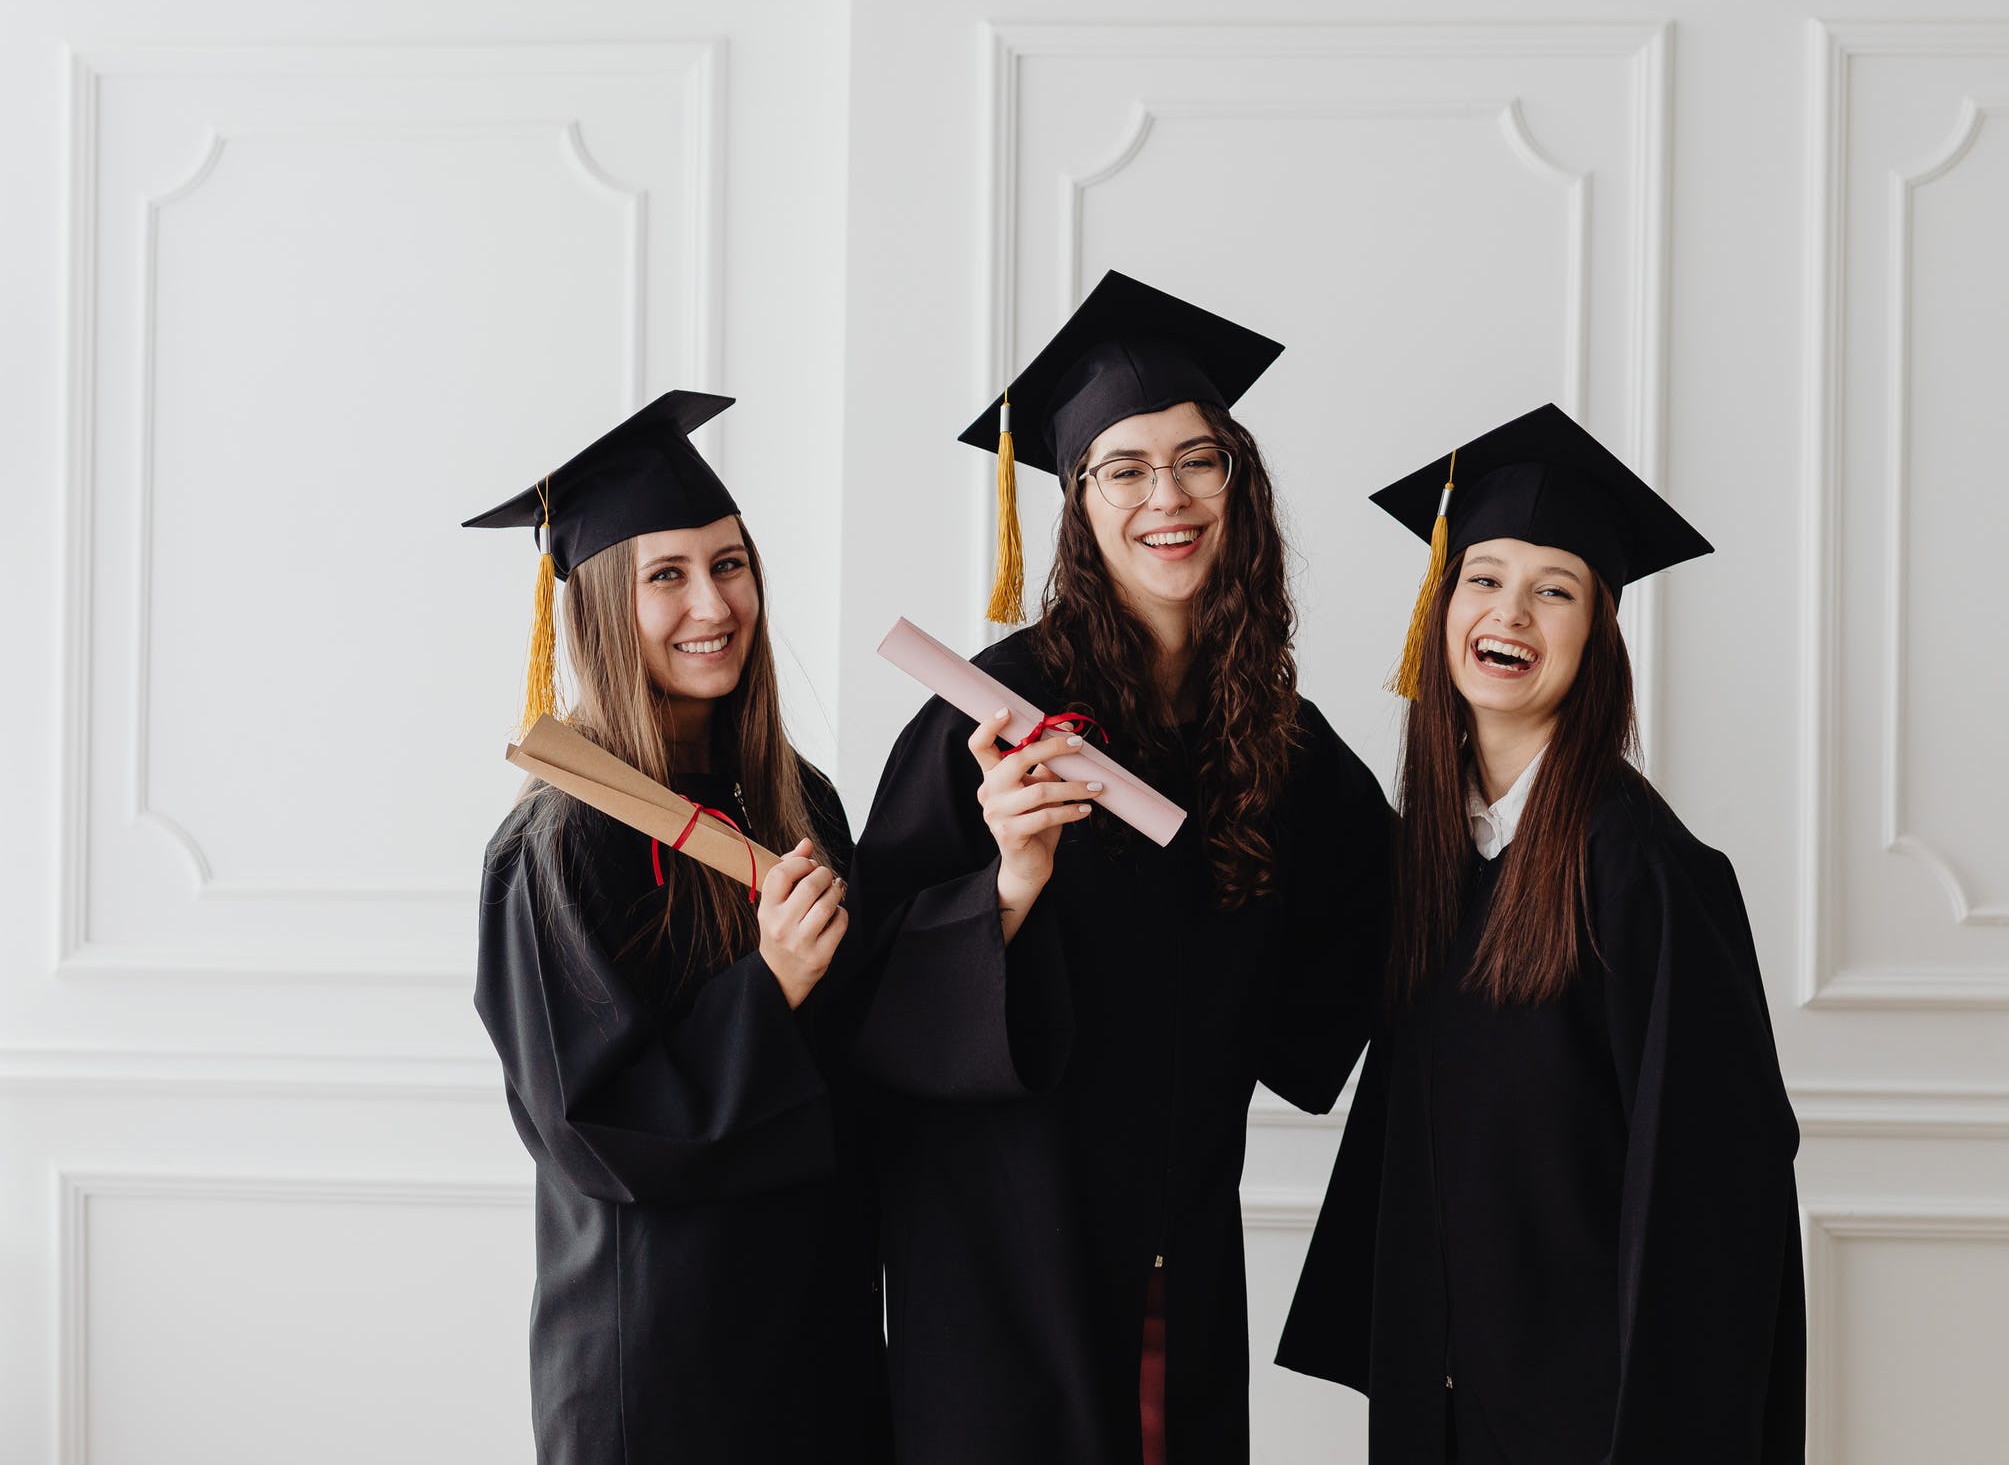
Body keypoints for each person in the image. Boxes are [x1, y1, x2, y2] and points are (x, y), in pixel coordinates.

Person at [847, 273, 1393, 1465]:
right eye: (1127, 468)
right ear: (1076, 503)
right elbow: (862, 997)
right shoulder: (988, 720)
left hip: (1178, 1238)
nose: (1170, 497)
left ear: (1237, 485)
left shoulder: (1283, 739)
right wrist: (1006, 883)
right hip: (999, 1250)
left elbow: (1371, 938)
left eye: (1200, 461)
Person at [1278, 403, 1805, 1463]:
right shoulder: (1432, 855)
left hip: (1594, 1410)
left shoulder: (1642, 868)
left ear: (1597, 633)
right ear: (1441, 605)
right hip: (1442, 1396)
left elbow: (1717, 1191)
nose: (1509, 610)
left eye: (1553, 589)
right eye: (1482, 576)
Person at [465, 391, 890, 1463]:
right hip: (660, 1361)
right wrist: (772, 983)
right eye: (668, 575)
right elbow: (590, 1125)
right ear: (606, 603)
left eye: (731, 563)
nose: (714, 602)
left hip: (820, 1332)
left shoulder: (802, 802)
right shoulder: (561, 845)